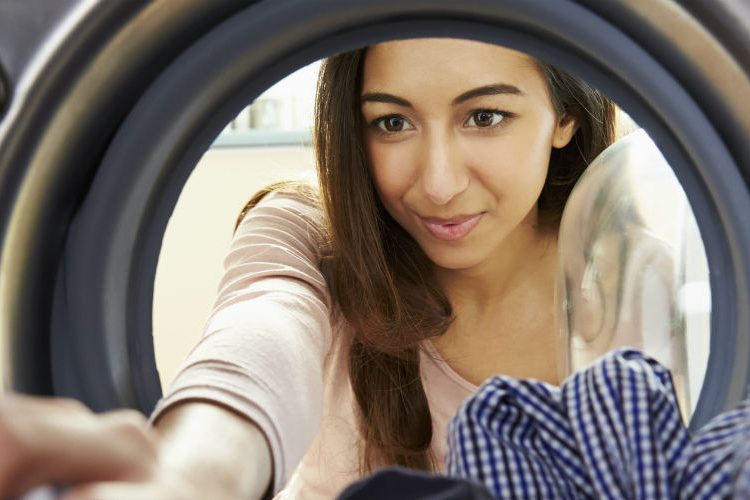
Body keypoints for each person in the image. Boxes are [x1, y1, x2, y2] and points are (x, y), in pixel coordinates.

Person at [0, 37, 614, 499]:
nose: (438, 183)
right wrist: (182, 479)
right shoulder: (308, 229)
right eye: (392, 122)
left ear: (565, 118)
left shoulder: (628, 270)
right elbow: (261, 336)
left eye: (484, 117)